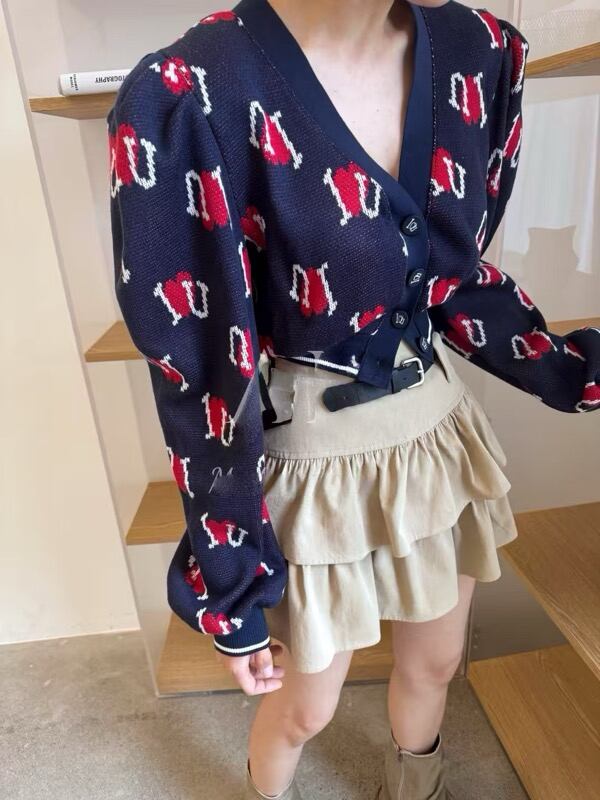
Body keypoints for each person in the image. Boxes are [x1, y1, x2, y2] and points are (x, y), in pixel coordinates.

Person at [106, 0, 599, 797]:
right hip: (313, 460)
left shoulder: (478, 52)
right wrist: (228, 580)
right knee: (307, 705)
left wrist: (571, 370)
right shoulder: (192, 89)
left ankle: (417, 786)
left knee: (436, 662)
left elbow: (451, 280)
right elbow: (201, 367)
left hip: (433, 437)